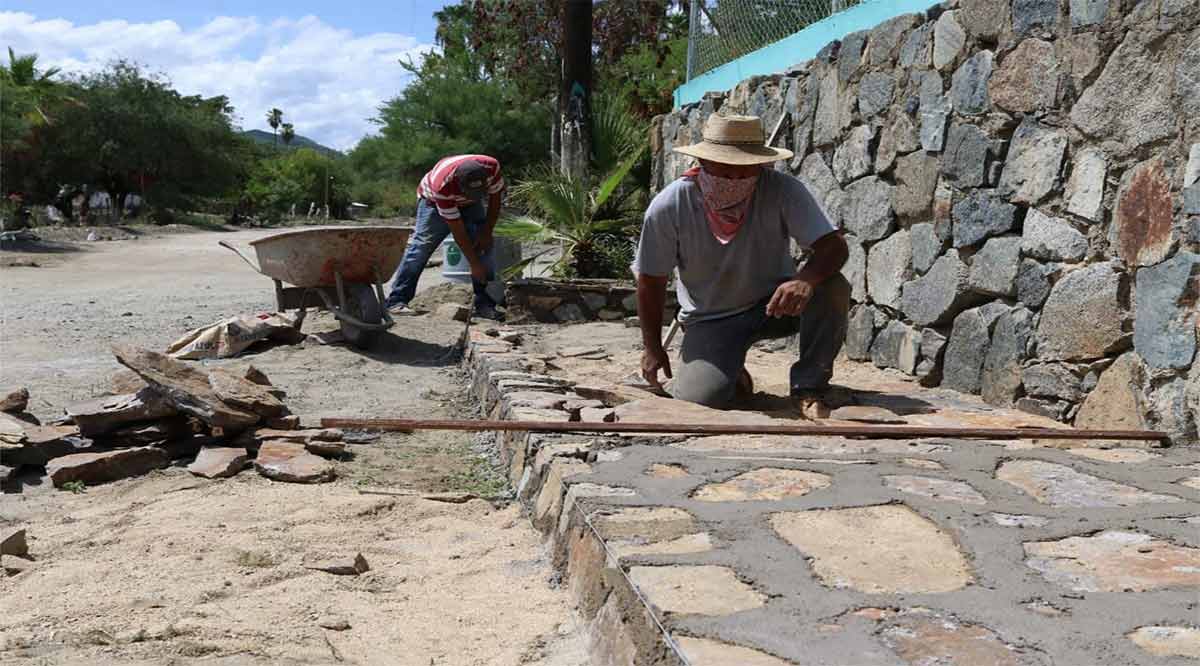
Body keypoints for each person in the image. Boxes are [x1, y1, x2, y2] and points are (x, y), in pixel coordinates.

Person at [633, 114, 851, 415]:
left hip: (775, 305)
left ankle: (809, 386)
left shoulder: (783, 190)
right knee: (700, 400)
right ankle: (730, 372)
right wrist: (652, 347)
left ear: (760, 165)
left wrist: (805, 280)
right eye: (725, 169)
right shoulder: (669, 206)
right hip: (710, 319)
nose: (734, 179)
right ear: (703, 163)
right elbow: (650, 279)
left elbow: (834, 246)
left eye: (745, 170)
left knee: (832, 286)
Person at [384, 154, 506, 319]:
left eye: (478, 192)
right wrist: (474, 264)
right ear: (459, 183)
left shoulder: (491, 168)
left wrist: (486, 231)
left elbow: (495, 199)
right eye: (470, 193)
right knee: (421, 248)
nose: (473, 196)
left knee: (484, 246)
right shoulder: (442, 185)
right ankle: (397, 300)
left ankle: (485, 305)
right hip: (433, 203)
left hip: (468, 205)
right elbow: (458, 231)